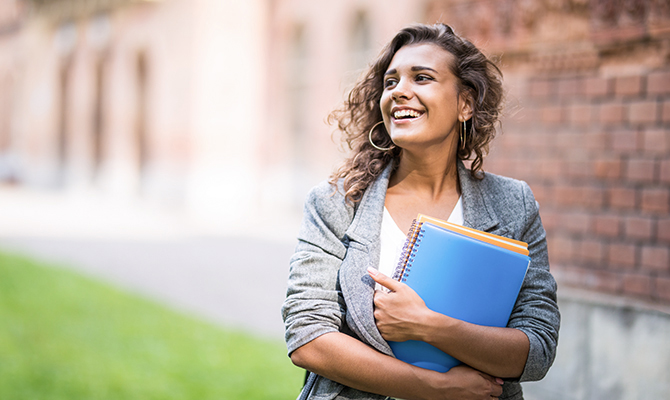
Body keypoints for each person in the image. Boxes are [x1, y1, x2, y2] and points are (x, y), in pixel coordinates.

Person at [282, 23, 560, 400]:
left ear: (465, 104)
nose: (399, 92)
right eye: (391, 81)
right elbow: (308, 336)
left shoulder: (514, 204)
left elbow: (537, 350)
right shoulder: (337, 201)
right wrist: (436, 388)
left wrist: (428, 325)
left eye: (422, 77)